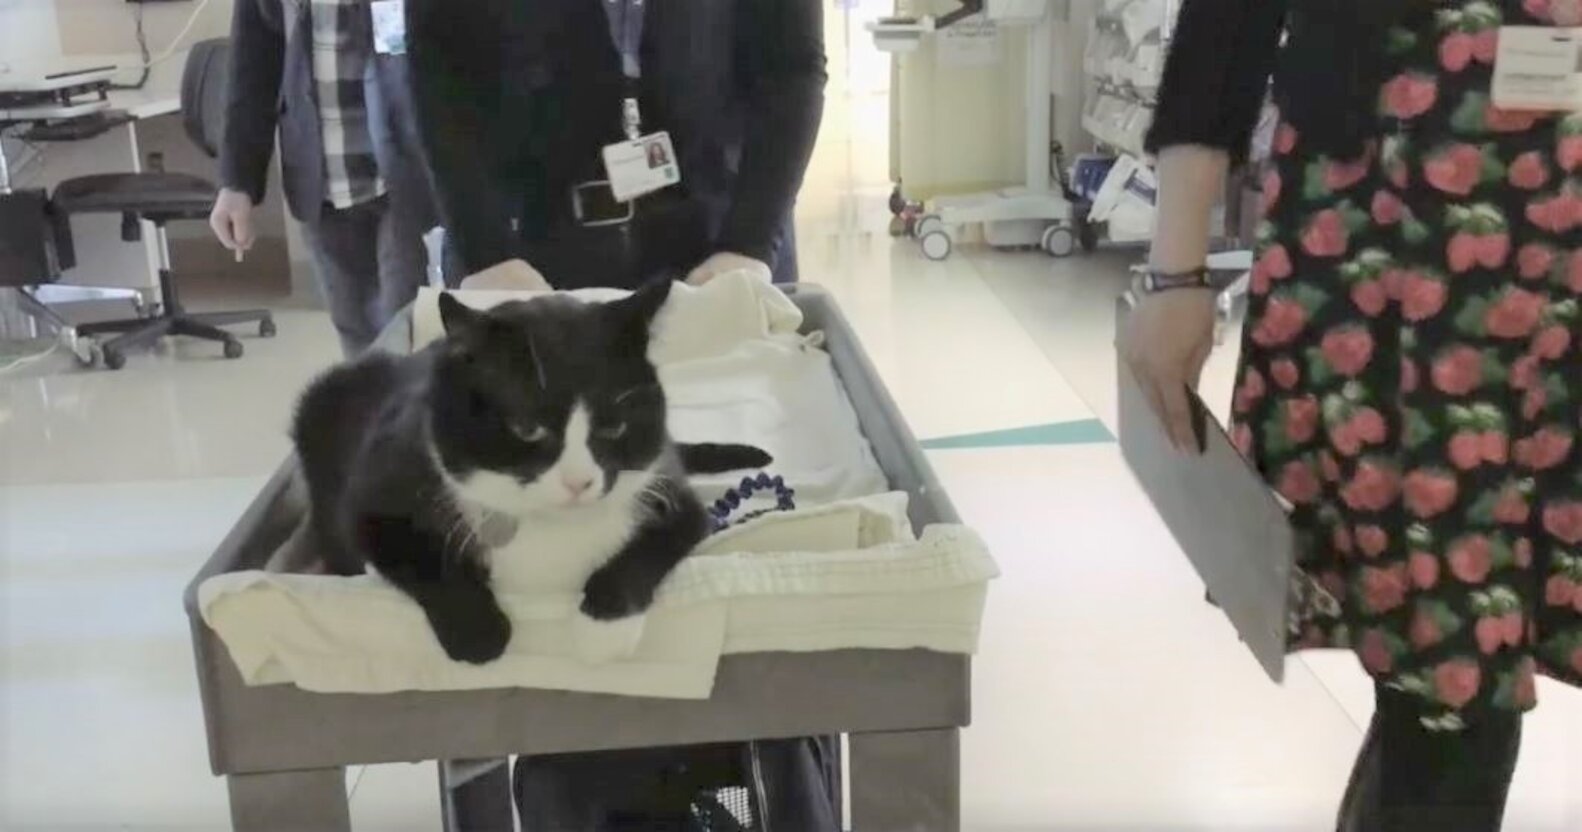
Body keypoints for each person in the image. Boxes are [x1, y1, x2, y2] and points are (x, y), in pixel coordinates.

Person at [1126, 1, 1581, 829]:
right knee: (1451, 673)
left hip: (1556, 254)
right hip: (1397, 247)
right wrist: (1175, 269)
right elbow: (1224, 28)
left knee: (1457, 680)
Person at [404, 0, 827, 288]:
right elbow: (439, 67)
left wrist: (750, 242)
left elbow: (793, 69)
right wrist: (486, 251)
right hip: (527, 255)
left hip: (723, 243)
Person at [209, 0, 442, 357]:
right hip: (322, 178)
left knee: (404, 335)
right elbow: (252, 64)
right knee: (357, 337)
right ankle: (372, 412)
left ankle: (410, 409)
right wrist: (237, 182)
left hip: (403, 173)